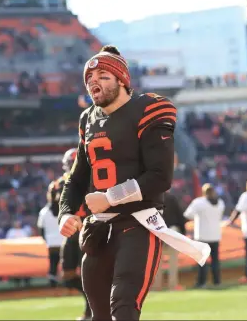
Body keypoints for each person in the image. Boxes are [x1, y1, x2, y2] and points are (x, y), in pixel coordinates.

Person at [58, 45, 177, 320]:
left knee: (123, 308)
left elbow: (161, 176)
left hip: (138, 224)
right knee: (98, 316)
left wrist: (110, 197)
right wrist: (66, 212)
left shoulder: (148, 108)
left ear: (122, 80)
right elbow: (77, 178)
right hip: (99, 230)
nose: (93, 81)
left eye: (103, 75)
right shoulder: (87, 118)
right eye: (89, 78)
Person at [46, 148, 92, 320]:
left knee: (88, 274)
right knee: (68, 276)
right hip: (73, 232)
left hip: (86, 229)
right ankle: (92, 304)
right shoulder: (57, 185)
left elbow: (52, 209)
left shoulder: (87, 181)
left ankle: (91, 310)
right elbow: (53, 210)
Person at [183, 184, 225, 288]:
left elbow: (188, 215)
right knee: (215, 260)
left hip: (202, 235)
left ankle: (202, 282)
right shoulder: (220, 203)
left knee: (202, 261)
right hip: (215, 235)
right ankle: (217, 281)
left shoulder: (198, 202)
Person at [153, 190, 186, 291]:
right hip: (171, 231)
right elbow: (180, 216)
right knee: (173, 261)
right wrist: (183, 233)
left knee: (157, 262)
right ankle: (172, 285)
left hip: (157, 232)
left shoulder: (152, 199)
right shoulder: (171, 198)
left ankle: (156, 286)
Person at [37, 181, 65, 288]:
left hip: (51, 243)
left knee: (53, 263)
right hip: (63, 241)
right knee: (65, 263)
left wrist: (47, 240)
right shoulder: (64, 210)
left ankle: (52, 283)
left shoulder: (43, 212)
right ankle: (67, 282)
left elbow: (41, 230)